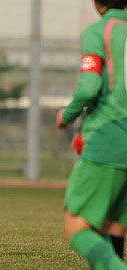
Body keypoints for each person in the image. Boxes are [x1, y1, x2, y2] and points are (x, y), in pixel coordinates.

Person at [56, 0, 127, 268]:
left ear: (97, 3)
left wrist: (67, 115)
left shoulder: (100, 31)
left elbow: (89, 87)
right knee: (115, 227)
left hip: (111, 135)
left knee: (76, 226)